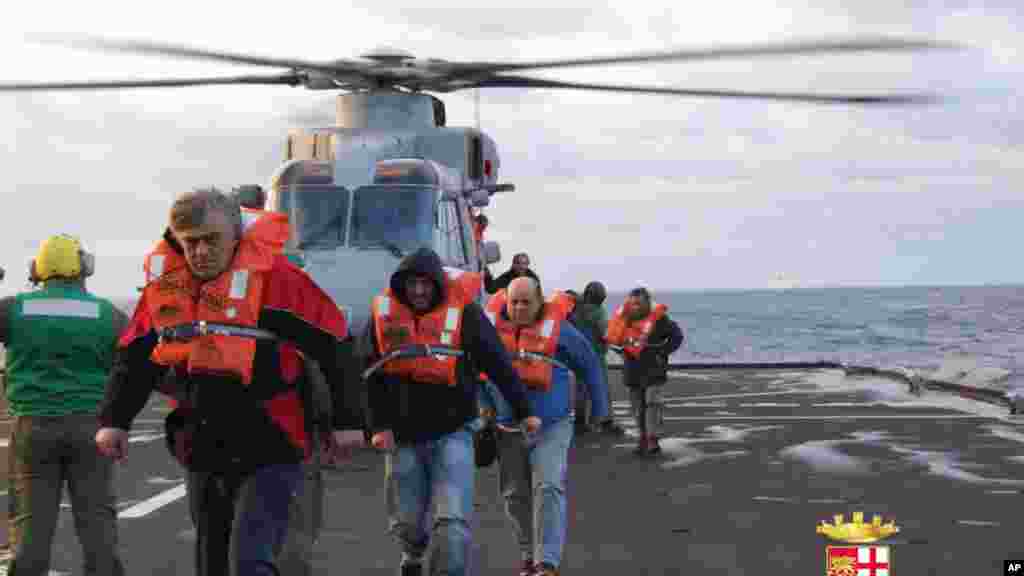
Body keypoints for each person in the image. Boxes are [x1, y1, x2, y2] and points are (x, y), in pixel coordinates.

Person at [95, 187, 366, 576]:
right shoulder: (166, 286)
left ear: (236, 235)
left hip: (273, 442)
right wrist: (114, 420)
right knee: (212, 564)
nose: (201, 252)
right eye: (191, 243)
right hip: (202, 445)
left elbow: (335, 346)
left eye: (211, 241)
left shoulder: (278, 281)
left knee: (251, 561)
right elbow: (136, 355)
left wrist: (348, 421)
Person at [362, 246, 539, 576]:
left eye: (426, 283)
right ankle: (412, 556)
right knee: (408, 523)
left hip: (453, 433)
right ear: (401, 284)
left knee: (453, 523)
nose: (418, 290)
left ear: (438, 285)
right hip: (401, 438)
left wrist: (524, 410)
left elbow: (498, 364)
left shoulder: (466, 315)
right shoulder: (381, 315)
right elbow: (367, 374)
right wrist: (377, 426)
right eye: (412, 283)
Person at [0, 234, 128, 575]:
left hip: (32, 427)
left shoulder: (14, 308)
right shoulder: (108, 314)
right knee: (98, 525)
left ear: (37, 269)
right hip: (92, 429)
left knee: (29, 529)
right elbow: (132, 366)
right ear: (84, 267)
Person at [482, 277, 609, 576]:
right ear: (506, 302)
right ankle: (529, 554)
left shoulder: (562, 331)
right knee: (515, 496)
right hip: (507, 427)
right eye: (514, 301)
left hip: (553, 425)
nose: (520, 307)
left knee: (549, 486)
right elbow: (471, 369)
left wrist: (601, 410)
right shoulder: (488, 332)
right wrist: (480, 406)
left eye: (526, 301)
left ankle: (547, 563)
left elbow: (590, 365)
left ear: (540, 302)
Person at [605, 287, 684, 455]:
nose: (635, 307)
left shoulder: (661, 319)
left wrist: (662, 352)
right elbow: (614, 340)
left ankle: (652, 440)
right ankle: (642, 437)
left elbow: (677, 336)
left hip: (654, 368)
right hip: (632, 369)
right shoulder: (623, 319)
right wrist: (622, 351)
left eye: (639, 303)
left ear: (647, 303)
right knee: (637, 407)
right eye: (633, 303)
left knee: (652, 403)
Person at [571, 281, 623, 436]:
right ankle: (605, 421)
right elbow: (605, 334)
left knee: (581, 389)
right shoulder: (598, 312)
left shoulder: (575, 309)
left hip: (578, 355)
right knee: (601, 389)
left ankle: (580, 423)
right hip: (595, 355)